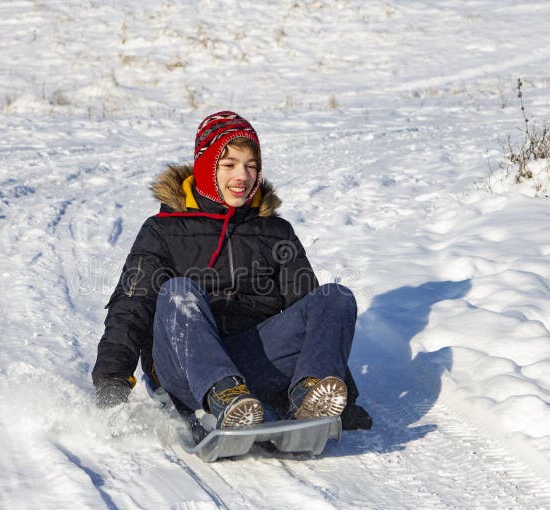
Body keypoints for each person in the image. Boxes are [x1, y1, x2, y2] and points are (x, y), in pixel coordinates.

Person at [92, 111, 372, 431]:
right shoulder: (162, 230)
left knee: (334, 297)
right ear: (206, 168)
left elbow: (309, 311)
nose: (242, 176)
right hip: (184, 367)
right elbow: (131, 305)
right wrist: (112, 384)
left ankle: (308, 396)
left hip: (254, 363)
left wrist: (343, 396)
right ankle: (221, 393)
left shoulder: (275, 232)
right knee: (178, 292)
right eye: (229, 165)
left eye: (251, 166)